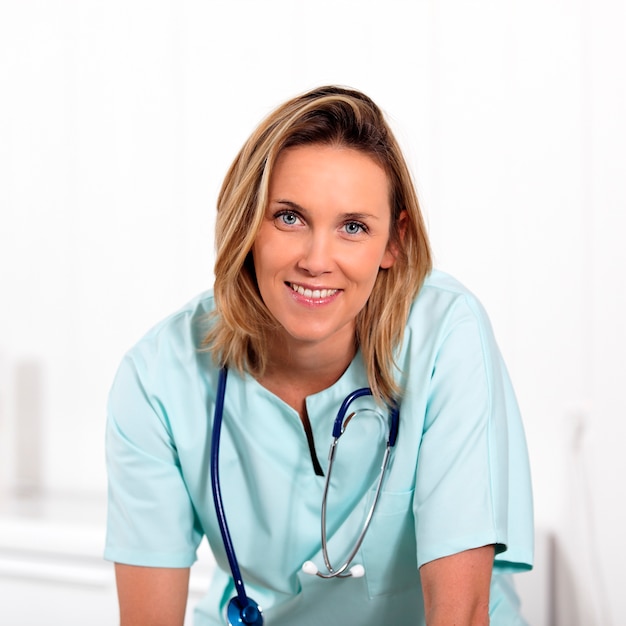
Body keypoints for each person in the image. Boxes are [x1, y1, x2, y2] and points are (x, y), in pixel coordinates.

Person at [104, 85, 533, 625]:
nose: (316, 260)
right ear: (247, 224)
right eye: (289, 218)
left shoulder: (446, 333)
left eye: (353, 227)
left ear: (393, 242)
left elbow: (461, 616)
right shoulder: (157, 377)